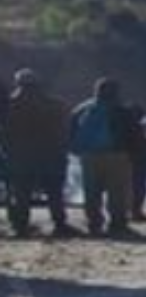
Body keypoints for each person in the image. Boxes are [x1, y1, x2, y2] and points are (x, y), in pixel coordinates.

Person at [3, 70, 74, 238]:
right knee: (54, 192)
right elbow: (64, 129)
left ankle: (20, 227)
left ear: (18, 83)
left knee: (21, 193)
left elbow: (5, 132)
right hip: (50, 155)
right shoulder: (55, 104)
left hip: (20, 156)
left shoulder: (9, 105)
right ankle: (60, 224)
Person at [71, 78, 137, 237]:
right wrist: (133, 153)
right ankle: (117, 223)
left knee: (92, 191)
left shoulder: (82, 108)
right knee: (117, 192)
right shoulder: (122, 110)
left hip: (89, 156)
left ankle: (94, 223)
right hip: (117, 155)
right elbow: (133, 133)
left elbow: (70, 129)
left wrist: (76, 150)